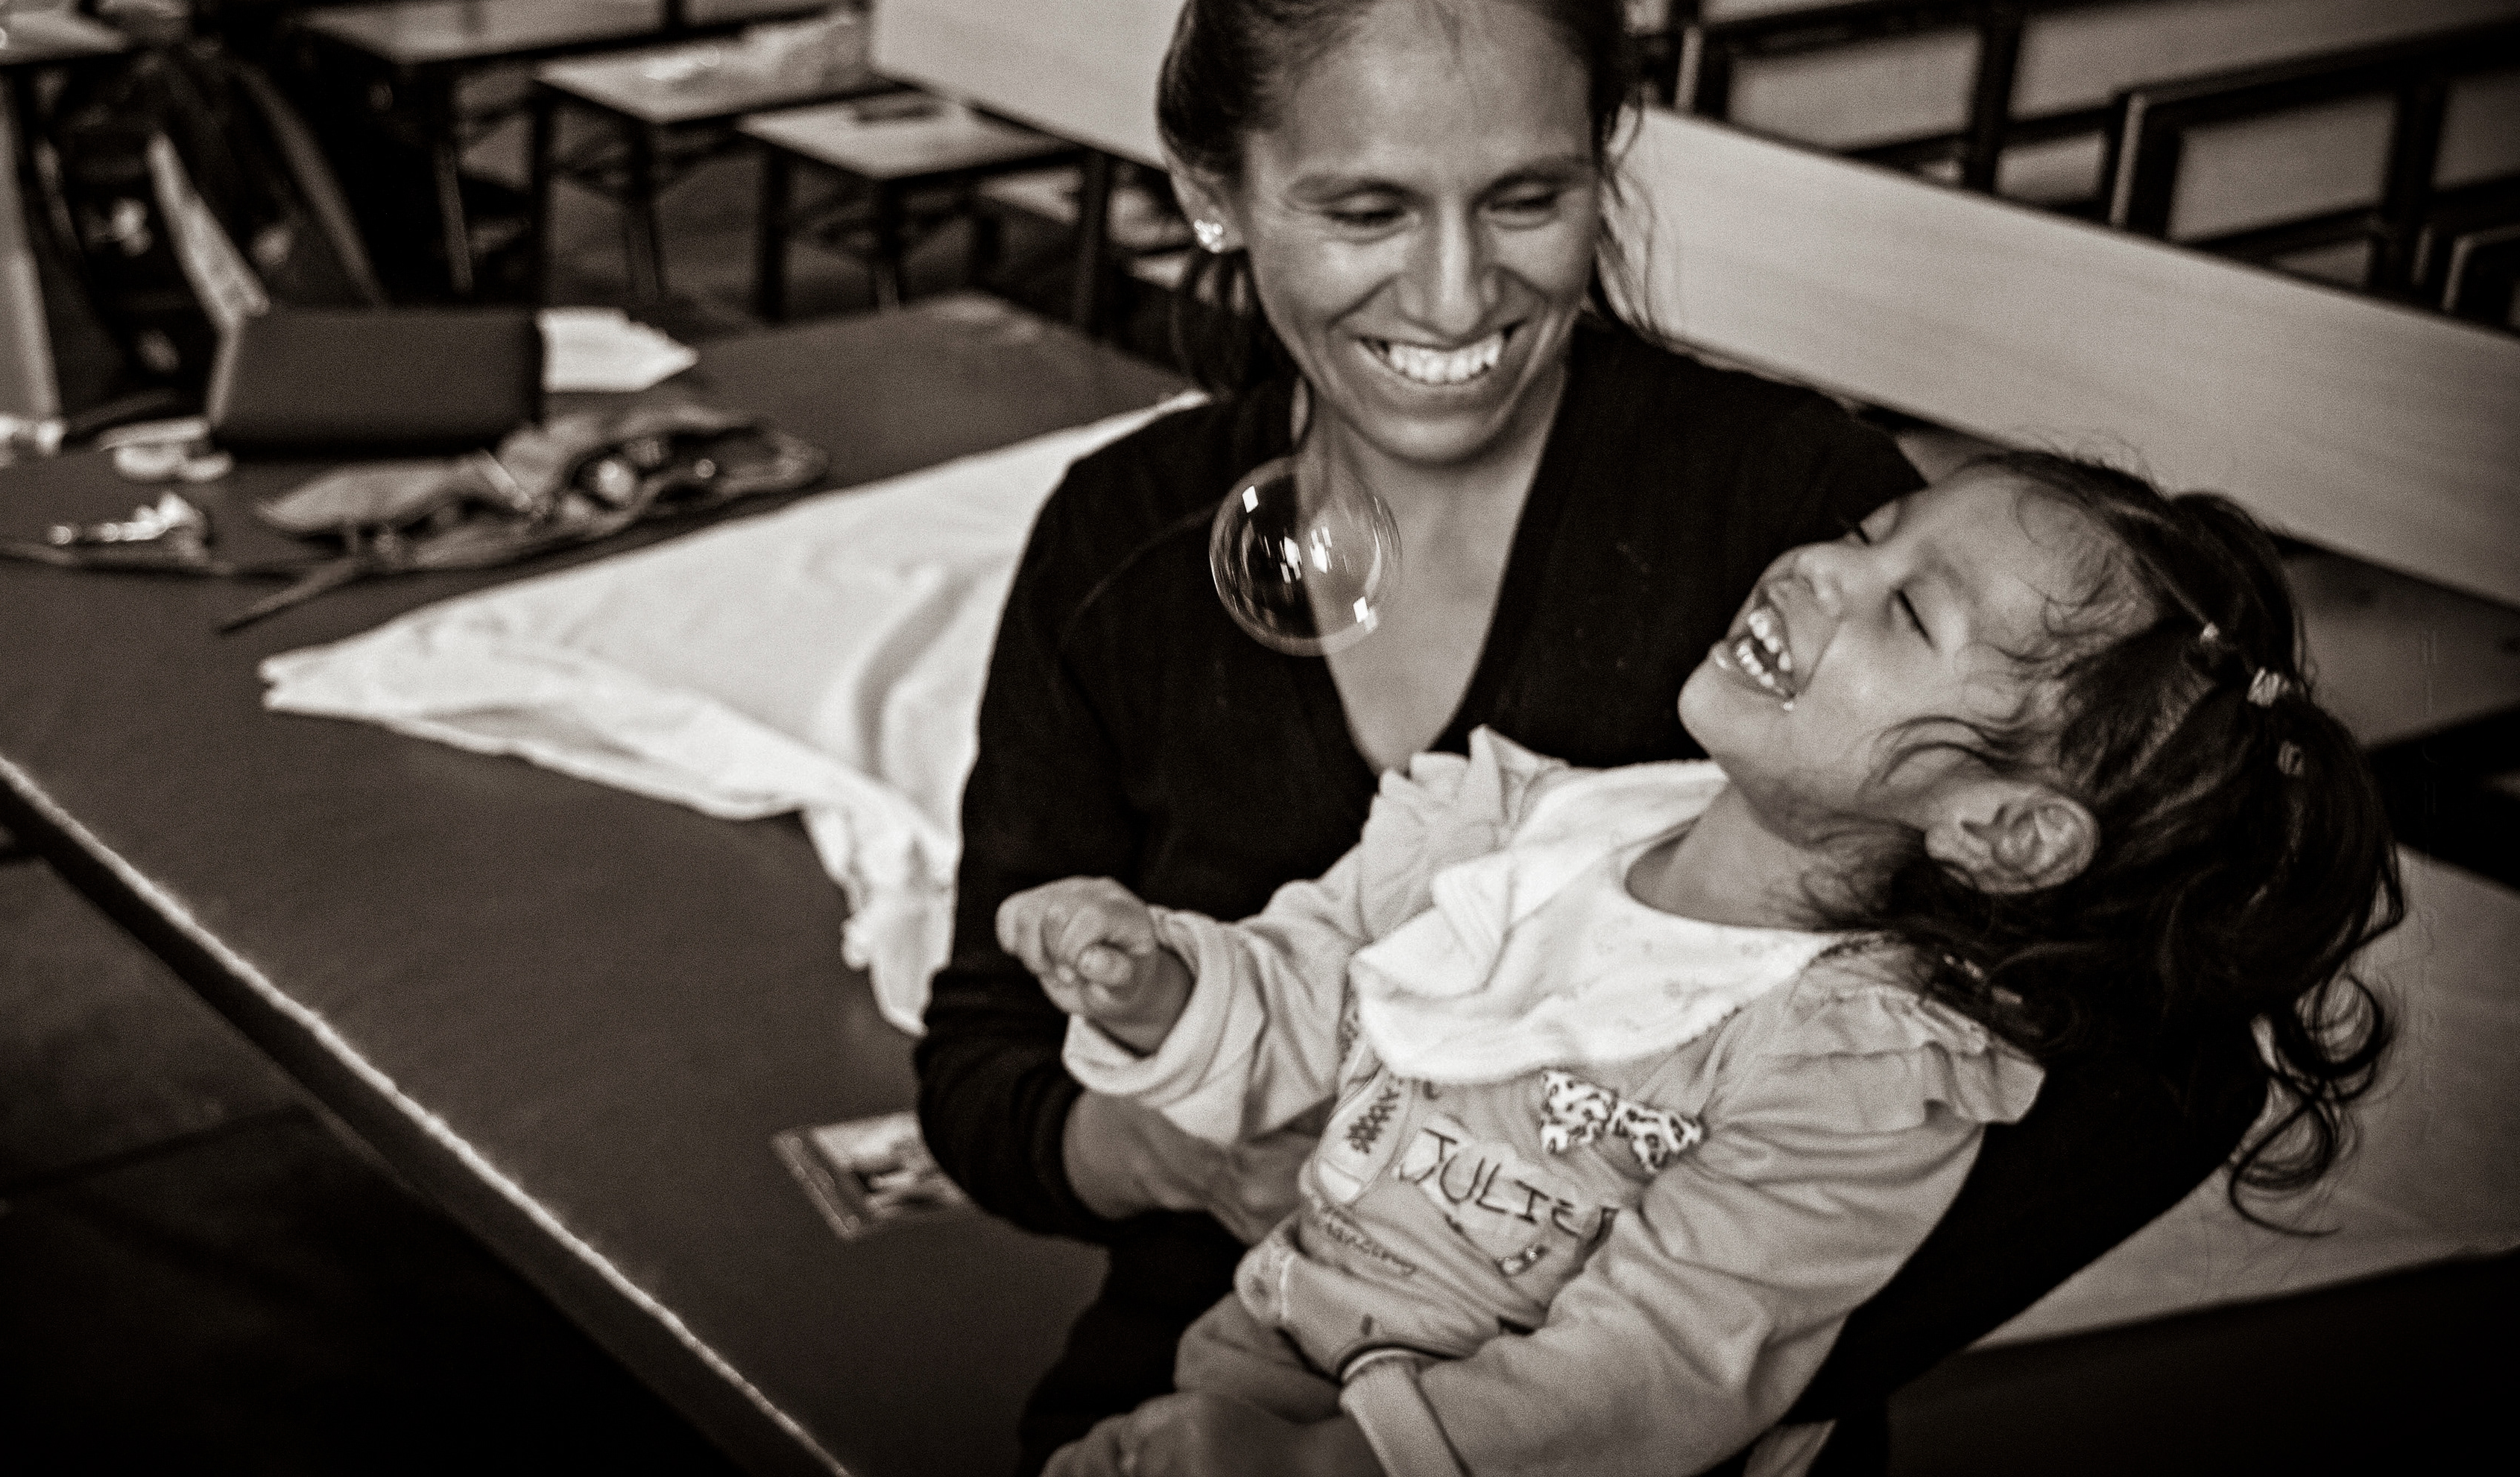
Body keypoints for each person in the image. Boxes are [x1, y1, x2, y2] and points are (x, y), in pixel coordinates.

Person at [911, 0, 2255, 1476]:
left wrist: (1669, 1334)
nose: (1460, 289)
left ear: (1605, 156)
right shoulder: (1121, 543)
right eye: (1363, 207)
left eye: (1529, 197)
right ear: (1213, 191)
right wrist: (1190, 1151)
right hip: (1223, 1352)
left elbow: (2171, 1065)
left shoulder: (1791, 517)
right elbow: (981, 1063)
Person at [1000, 455, 2401, 1477]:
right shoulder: (1518, 819)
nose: (1823, 567)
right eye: (1870, 531)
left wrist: (1323, 1471)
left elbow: (1660, 1372)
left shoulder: (1854, 1059)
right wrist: (1160, 988)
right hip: (1260, 1347)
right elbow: (1298, 1001)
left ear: (2003, 833)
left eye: (1910, 614)